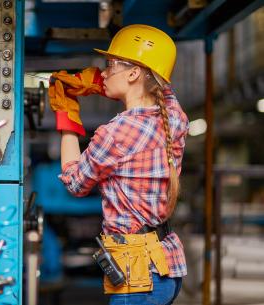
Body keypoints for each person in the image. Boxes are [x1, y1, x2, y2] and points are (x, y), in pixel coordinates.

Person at [48, 24, 189, 305]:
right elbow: (161, 90)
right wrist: (110, 84)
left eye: (110, 65)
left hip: (137, 274)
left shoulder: (116, 133)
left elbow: (75, 183)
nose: (103, 71)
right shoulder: (174, 117)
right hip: (167, 266)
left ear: (135, 73)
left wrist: (66, 114)